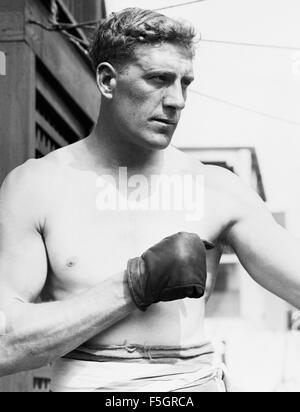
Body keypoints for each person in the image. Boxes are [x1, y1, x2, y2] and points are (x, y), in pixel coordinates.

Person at [0, 7, 300, 392]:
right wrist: (132, 286)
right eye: (158, 79)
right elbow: (5, 344)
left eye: (185, 83)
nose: (177, 100)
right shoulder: (36, 187)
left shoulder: (219, 190)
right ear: (107, 80)